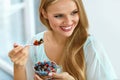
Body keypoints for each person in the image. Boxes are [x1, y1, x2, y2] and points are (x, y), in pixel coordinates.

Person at [8, 0, 117, 80]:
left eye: (74, 12)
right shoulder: (36, 42)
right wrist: (19, 66)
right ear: (44, 13)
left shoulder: (90, 47)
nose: (69, 22)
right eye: (59, 16)